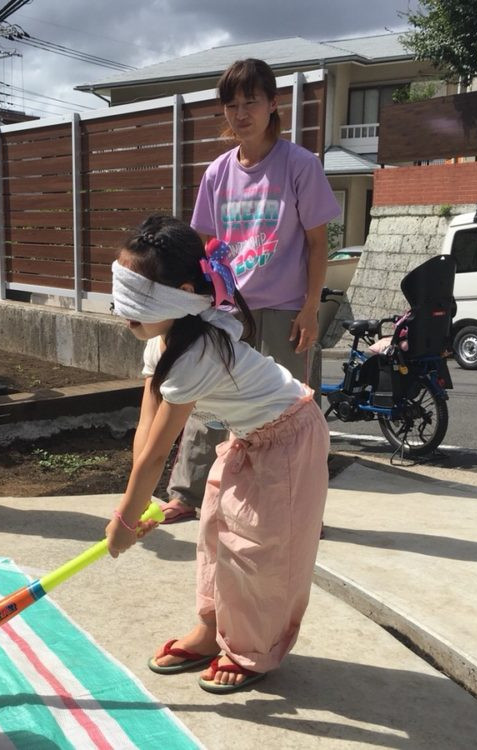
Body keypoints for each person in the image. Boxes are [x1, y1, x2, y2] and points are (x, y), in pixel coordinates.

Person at [106, 214, 329, 694]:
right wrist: (137, 504)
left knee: (259, 551)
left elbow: (157, 453)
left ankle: (253, 650)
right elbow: (144, 435)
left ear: (183, 293)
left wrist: (123, 524)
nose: (123, 312)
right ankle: (211, 631)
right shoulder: (164, 336)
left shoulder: (199, 353)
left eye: (137, 300)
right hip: (250, 438)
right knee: (214, 533)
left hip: (290, 437)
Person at [160, 57, 341, 523]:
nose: (241, 113)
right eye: (232, 104)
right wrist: (200, 305)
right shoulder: (218, 173)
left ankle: (301, 512)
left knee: (294, 411)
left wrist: (309, 310)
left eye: (251, 102)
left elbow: (319, 244)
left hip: (284, 310)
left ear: (272, 104)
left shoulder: (300, 165)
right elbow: (204, 245)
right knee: (207, 397)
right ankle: (186, 494)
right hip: (227, 310)